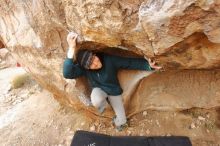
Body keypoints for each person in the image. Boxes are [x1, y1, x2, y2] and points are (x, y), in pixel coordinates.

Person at [63, 32, 162, 131]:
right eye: (91, 64)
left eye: (94, 58)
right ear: (86, 67)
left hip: (113, 91)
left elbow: (129, 63)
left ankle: (116, 119)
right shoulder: (84, 69)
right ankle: (103, 107)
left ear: (94, 54)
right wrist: (71, 48)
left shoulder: (108, 60)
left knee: (122, 122)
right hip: (99, 90)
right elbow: (67, 73)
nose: (96, 63)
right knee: (96, 100)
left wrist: (148, 65)